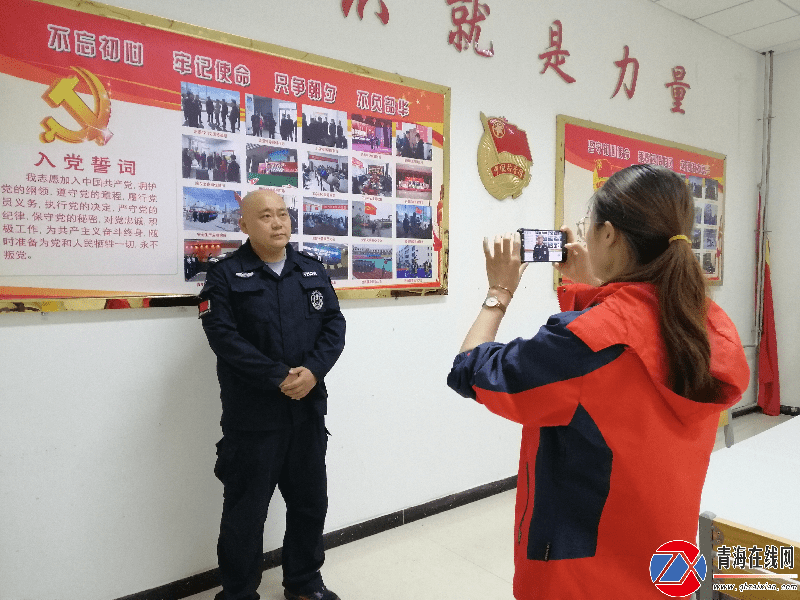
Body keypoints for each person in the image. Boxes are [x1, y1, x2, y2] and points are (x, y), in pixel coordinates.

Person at [446, 164, 749, 600]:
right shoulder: (702, 323)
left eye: (590, 227)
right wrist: (594, 282)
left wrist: (499, 292)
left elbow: (472, 371)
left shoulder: (584, 346)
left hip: (584, 575)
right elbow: (628, 330)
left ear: (608, 235)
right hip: (664, 561)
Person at [200, 190, 346, 600]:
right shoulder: (225, 276)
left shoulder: (312, 269)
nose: (278, 223)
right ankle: (238, 592)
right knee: (245, 513)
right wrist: (279, 377)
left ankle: (303, 583)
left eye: (282, 214)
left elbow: (335, 326)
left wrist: (313, 371)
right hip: (254, 418)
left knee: (309, 504)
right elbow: (224, 339)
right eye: (265, 216)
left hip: (307, 412)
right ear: (244, 225)